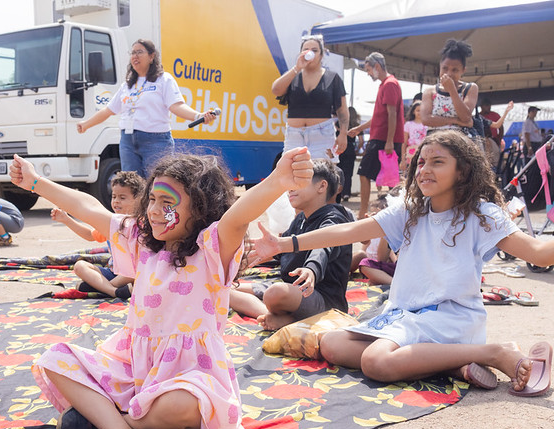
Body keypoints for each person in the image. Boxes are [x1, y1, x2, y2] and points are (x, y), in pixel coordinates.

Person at [8, 147, 314, 429]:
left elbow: (237, 217)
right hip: (137, 370)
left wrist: (277, 181)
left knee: (180, 405)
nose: (154, 210)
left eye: (168, 203)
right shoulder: (141, 241)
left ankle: (109, 422)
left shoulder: (211, 250)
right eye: (152, 199)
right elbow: (88, 207)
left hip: (190, 376)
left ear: (200, 210)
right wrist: (36, 182)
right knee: (55, 359)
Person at [252, 130, 554, 396]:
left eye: (437, 162)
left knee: (375, 361)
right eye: (421, 162)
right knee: (331, 344)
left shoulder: (482, 215)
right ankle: (454, 365)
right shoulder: (410, 210)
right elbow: (349, 231)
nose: (424, 170)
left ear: (462, 171)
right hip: (404, 316)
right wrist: (284, 244)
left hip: (449, 318)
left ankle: (495, 353)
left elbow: (539, 252)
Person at [230, 159, 352, 331]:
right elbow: (283, 248)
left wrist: (311, 269)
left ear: (321, 186)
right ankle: (279, 318)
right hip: (294, 290)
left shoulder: (334, 218)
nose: (291, 188)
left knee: (276, 293)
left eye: (299, 182)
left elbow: (323, 247)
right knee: (226, 290)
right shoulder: (302, 218)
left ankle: (289, 319)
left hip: (324, 301)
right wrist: (261, 253)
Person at [75, 39, 216, 177]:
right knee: (132, 187)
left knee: (157, 183)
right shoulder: (127, 85)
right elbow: (108, 110)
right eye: (133, 53)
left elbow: (176, 106)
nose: (135, 56)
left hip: (156, 141)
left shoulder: (164, 79)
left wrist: (198, 116)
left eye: (139, 52)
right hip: (127, 142)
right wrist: (86, 124)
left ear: (151, 56)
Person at [51, 171, 144, 299]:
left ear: (138, 200)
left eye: (122, 198)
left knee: (137, 272)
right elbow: (89, 235)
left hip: (132, 274)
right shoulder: (112, 222)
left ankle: (102, 288)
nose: (116, 201)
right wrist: (66, 220)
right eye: (114, 196)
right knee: (79, 266)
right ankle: (113, 291)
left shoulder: (140, 224)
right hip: (113, 272)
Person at [271, 34, 348, 160]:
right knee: (291, 173)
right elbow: (276, 90)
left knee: (322, 175)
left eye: (315, 50)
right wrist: (297, 67)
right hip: (294, 135)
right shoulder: (293, 75)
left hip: (322, 135)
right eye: (306, 50)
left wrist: (343, 133)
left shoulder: (332, 78)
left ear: (321, 55)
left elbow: (342, 110)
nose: (310, 53)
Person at [348, 52, 404, 220]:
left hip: (384, 140)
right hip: (382, 138)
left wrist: (389, 141)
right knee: (389, 178)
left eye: (368, 69)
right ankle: (386, 213)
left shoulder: (390, 84)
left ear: (377, 67)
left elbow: (392, 115)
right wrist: (359, 128)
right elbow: (379, 116)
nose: (368, 73)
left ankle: (363, 213)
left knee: (367, 173)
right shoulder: (386, 84)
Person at [420, 40, 478, 138]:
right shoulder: (430, 91)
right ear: (440, 67)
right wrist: (454, 120)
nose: (449, 73)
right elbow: (425, 119)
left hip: (459, 140)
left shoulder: (470, 88)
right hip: (434, 140)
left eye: (455, 70)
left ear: (463, 70)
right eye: (445, 68)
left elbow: (465, 117)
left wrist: (452, 90)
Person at [354, 196, 396, 285]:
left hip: (399, 269)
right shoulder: (377, 231)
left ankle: (394, 284)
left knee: (365, 264)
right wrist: (367, 228)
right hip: (375, 265)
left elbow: (390, 259)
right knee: (362, 258)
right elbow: (364, 247)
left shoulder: (393, 229)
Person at [337, 106, 363, 202]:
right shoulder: (356, 125)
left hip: (340, 149)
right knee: (348, 173)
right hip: (350, 149)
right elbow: (361, 141)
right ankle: (346, 193)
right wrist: (357, 150)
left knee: (338, 172)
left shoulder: (339, 123)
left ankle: (338, 194)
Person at [401, 101, 427, 173]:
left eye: (421, 110)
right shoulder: (408, 124)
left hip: (424, 152)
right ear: (413, 112)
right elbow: (404, 142)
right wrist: (403, 159)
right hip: (411, 153)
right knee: (412, 173)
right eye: (417, 110)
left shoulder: (427, 124)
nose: (419, 112)